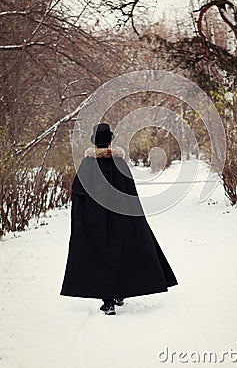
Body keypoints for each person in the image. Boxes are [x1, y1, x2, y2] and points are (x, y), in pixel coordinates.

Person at [60, 123, 178, 315]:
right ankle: (118, 293)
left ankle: (108, 301)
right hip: (120, 219)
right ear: (110, 141)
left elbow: (78, 195)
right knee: (120, 252)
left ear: (95, 143)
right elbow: (130, 194)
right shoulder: (119, 164)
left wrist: (83, 221)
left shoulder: (87, 165)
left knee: (99, 254)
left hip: (94, 220)